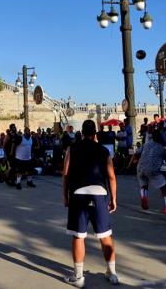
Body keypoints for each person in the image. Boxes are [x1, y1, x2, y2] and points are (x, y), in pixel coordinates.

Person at [62, 120, 118, 287]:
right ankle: (112, 273)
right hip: (99, 194)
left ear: (81, 133)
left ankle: (78, 277)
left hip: (78, 194)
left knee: (79, 236)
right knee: (105, 235)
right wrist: (113, 198)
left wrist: (65, 196)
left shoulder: (72, 149)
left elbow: (65, 174)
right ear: (95, 134)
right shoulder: (103, 150)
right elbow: (111, 176)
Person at [137, 130, 166, 215]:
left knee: (144, 185)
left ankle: (143, 196)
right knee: (164, 188)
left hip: (140, 168)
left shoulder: (146, 145)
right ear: (160, 138)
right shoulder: (162, 149)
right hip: (152, 170)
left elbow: (137, 153)